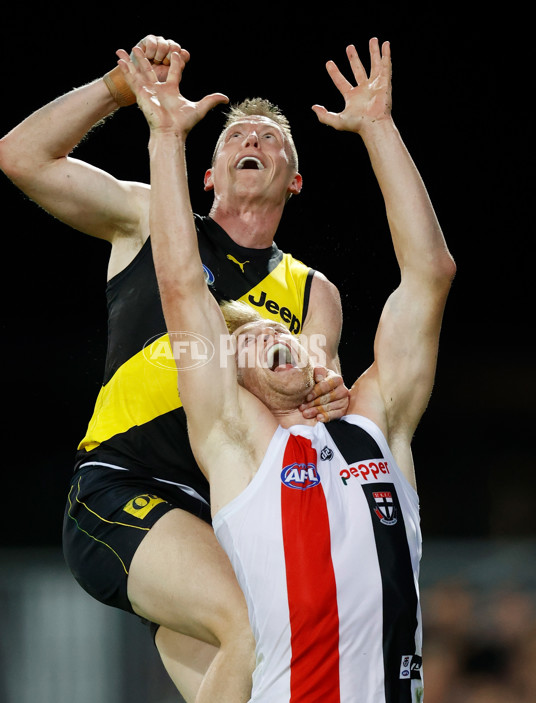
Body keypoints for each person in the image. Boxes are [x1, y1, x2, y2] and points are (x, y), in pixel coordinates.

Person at [0, 34, 349, 703]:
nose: (252, 137)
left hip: (221, 526)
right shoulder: (151, 220)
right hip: (120, 486)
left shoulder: (312, 291)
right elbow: (20, 156)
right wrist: (115, 89)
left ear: (294, 179)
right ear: (208, 172)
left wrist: (321, 388)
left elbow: (309, 394)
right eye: (236, 132)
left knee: (267, 674)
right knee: (252, 627)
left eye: (271, 137)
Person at [124, 36, 456, 701]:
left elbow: (430, 274)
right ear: (232, 375)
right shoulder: (239, 441)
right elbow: (180, 283)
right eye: (246, 339)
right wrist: (165, 137)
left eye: (282, 329)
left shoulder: (377, 420)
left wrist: (379, 128)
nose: (267, 335)